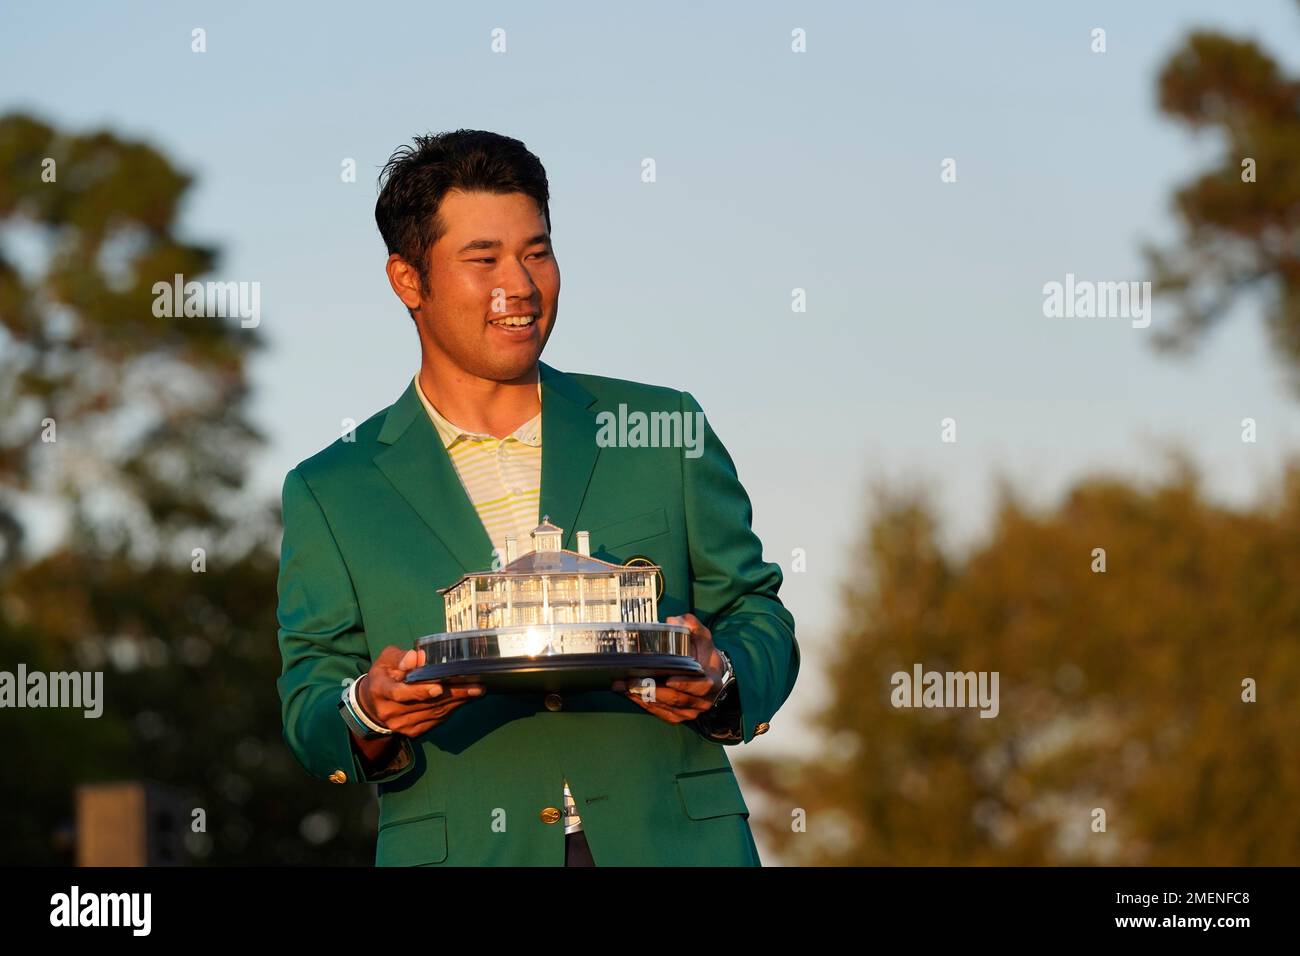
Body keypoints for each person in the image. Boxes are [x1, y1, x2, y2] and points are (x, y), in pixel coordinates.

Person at [275, 129, 799, 866]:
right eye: (483, 259)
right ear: (408, 280)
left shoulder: (661, 426)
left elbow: (756, 609)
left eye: (537, 252)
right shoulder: (330, 489)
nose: (519, 285)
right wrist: (366, 708)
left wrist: (725, 677)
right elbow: (310, 701)